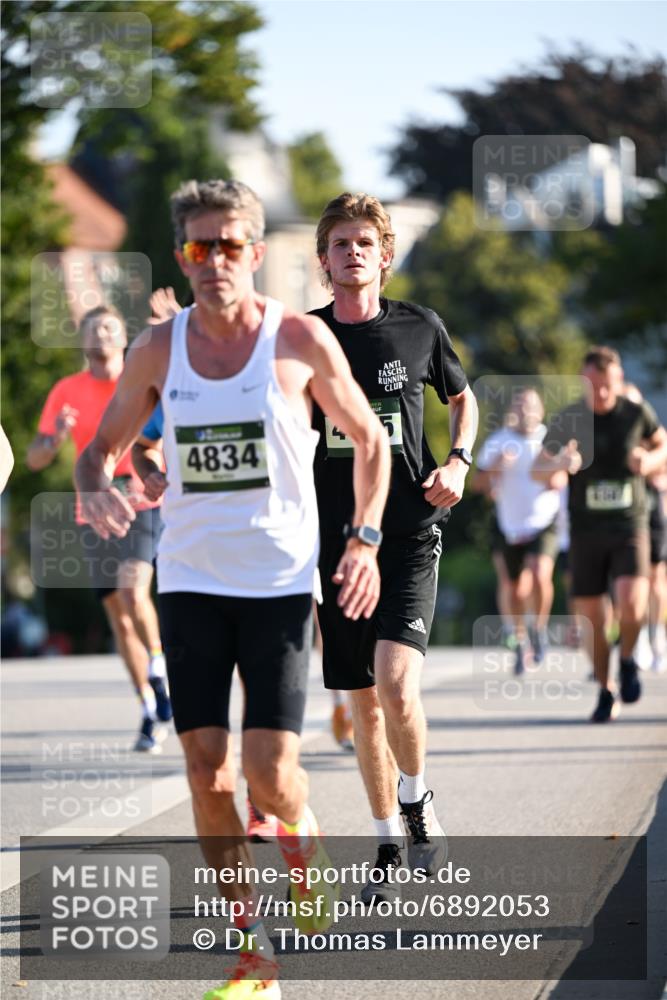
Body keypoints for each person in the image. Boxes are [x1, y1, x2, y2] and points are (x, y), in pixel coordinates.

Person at [75, 179, 391, 1000]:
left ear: (255, 252)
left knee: (268, 775)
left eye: (229, 245)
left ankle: (304, 833)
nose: (213, 260)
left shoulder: (296, 341)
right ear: (182, 253)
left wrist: (363, 540)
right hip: (188, 583)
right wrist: (102, 482)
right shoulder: (157, 347)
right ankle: (254, 960)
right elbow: (99, 448)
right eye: (197, 246)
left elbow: (369, 442)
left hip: (281, 582)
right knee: (208, 774)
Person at [311, 192, 477, 902]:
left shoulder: (419, 328)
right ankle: (384, 835)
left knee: (396, 681)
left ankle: (416, 797)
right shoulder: (303, 339)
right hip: (331, 541)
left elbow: (461, 398)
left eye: (363, 242)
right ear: (322, 261)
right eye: (338, 243)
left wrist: (459, 461)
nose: (351, 252)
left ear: (384, 255)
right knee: (360, 704)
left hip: (408, 529)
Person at [27, 305, 171, 752]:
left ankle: (160, 668)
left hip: (140, 496)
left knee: (133, 590)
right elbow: (35, 457)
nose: (102, 334)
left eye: (110, 327)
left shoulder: (138, 376)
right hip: (92, 508)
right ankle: (148, 707)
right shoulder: (66, 390)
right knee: (117, 616)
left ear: (122, 335)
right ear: (84, 339)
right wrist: (54, 438)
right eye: (94, 328)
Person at [533, 346, 667, 722]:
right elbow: (537, 469)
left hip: (629, 523)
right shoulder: (570, 418)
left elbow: (663, 445)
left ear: (618, 381)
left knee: (630, 598)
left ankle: (627, 660)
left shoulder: (636, 413)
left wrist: (650, 461)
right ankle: (607, 690)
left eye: (607, 386)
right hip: (586, 529)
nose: (601, 394)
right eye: (593, 386)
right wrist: (560, 462)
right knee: (592, 616)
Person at [472, 388, 566, 673]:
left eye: (531, 406)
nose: (526, 411)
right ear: (513, 410)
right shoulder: (498, 441)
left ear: (540, 411)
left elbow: (562, 475)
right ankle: (519, 637)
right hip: (509, 524)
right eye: (520, 405)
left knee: (539, 574)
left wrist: (555, 478)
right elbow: (477, 484)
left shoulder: (550, 439)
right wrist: (497, 467)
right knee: (514, 587)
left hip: (543, 521)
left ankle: (538, 628)